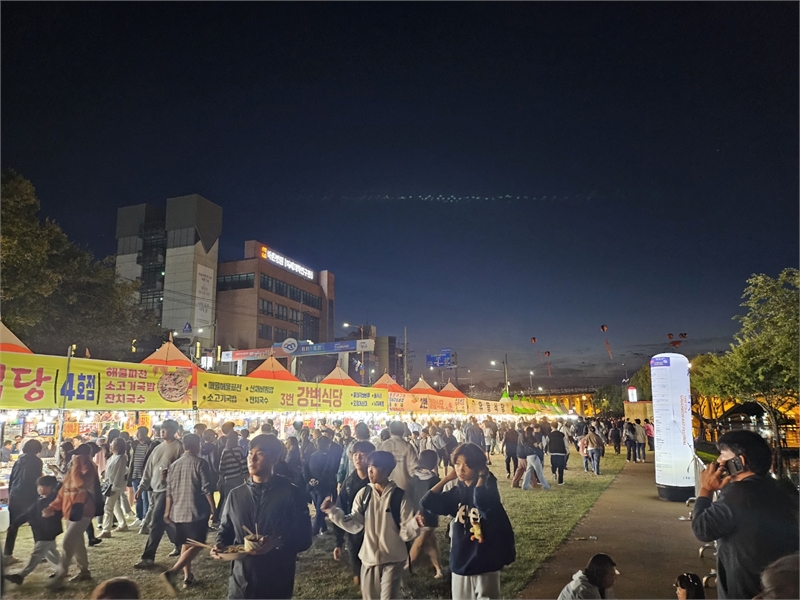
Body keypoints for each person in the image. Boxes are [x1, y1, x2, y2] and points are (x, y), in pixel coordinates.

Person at [691, 430, 799, 599]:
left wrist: (706, 489)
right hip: (783, 586)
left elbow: (702, 529)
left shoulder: (737, 494)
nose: (718, 461)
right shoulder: (784, 488)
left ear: (738, 462)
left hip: (744, 590)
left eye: (723, 455)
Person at [212, 434, 312, 599]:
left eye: (259, 454)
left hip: (276, 581)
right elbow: (226, 529)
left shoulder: (291, 493)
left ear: (274, 458)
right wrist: (220, 544)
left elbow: (304, 537)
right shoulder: (236, 495)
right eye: (250, 453)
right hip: (241, 582)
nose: (252, 459)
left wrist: (276, 541)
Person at [421, 442, 515, 599]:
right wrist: (446, 478)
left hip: (485, 561)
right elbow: (427, 502)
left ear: (478, 466)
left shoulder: (489, 490)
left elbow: (481, 502)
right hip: (461, 560)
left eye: (467, 464)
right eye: (457, 464)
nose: (461, 469)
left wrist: (482, 477)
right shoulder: (457, 493)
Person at [322, 450, 420, 600]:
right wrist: (333, 511)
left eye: (374, 467)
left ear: (386, 470)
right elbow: (355, 523)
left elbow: (406, 532)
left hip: (393, 559)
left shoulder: (399, 497)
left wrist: (415, 524)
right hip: (369, 559)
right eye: (369, 466)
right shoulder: (364, 494)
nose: (369, 470)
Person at [160, 434, 215, 595]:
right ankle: (173, 572)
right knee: (198, 543)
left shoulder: (174, 465)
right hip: (195, 511)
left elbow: (169, 491)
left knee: (186, 543)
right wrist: (213, 508)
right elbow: (206, 489)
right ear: (197, 445)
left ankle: (188, 577)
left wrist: (167, 511)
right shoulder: (201, 463)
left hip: (178, 511)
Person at [44, 447, 103, 590]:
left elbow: (80, 484)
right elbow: (62, 493)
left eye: (77, 456)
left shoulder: (89, 470)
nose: (73, 459)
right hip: (71, 511)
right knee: (77, 543)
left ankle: (61, 575)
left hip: (83, 510)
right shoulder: (72, 471)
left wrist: (76, 465)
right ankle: (84, 572)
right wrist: (52, 507)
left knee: (68, 542)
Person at [134, 419, 184, 569]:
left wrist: (170, 477)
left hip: (168, 490)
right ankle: (180, 544)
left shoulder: (179, 447)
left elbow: (183, 469)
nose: (162, 431)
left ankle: (148, 557)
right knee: (166, 521)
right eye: (161, 429)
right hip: (155, 489)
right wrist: (141, 487)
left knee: (156, 522)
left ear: (173, 431)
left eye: (166, 429)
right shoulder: (158, 447)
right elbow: (148, 469)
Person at [2, 475, 62, 585]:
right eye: (39, 486)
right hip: (42, 531)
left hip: (47, 532)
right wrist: (15, 524)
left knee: (37, 554)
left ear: (51, 488)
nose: (40, 489)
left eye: (44, 487)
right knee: (50, 552)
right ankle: (61, 569)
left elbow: (58, 514)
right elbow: (28, 513)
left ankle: (21, 575)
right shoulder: (40, 500)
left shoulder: (54, 502)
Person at [332, 440, 374, 586]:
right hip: (354, 533)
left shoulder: (377, 481)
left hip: (375, 532)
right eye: (355, 454)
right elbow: (341, 510)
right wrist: (338, 542)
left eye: (363, 454)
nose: (358, 458)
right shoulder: (348, 483)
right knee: (358, 575)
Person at [3, 438, 43, 565]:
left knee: (13, 526)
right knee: (36, 525)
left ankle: (7, 554)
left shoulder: (19, 461)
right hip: (29, 496)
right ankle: (40, 553)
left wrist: (10, 495)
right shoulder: (37, 461)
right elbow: (36, 481)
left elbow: (12, 479)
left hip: (15, 495)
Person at [408, 449, 442, 578]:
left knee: (421, 542)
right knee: (427, 543)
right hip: (429, 516)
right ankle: (438, 570)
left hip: (416, 514)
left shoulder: (413, 478)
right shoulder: (434, 480)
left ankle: (405, 569)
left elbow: (409, 496)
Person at [304, 435, 338, 536]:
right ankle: (315, 530)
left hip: (313, 485)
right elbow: (329, 470)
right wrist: (318, 480)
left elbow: (305, 469)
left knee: (318, 506)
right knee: (320, 509)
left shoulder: (311, 456)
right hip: (324, 485)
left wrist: (310, 480)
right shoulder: (330, 456)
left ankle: (322, 527)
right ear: (328, 444)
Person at [100, 438, 129, 537]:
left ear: (118, 446)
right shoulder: (114, 456)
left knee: (108, 506)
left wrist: (115, 487)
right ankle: (122, 524)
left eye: (113, 444)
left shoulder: (121, 457)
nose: (111, 446)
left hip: (115, 485)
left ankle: (106, 530)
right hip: (109, 483)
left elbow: (119, 473)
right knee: (115, 504)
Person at [378, 421, 418, 494]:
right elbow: (414, 469)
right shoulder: (408, 447)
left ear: (390, 432)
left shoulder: (382, 446)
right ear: (403, 432)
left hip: (385, 488)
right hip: (404, 488)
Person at [217, 432, 248, 522]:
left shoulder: (225, 450)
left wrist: (221, 478)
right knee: (238, 499)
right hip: (238, 478)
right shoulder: (240, 449)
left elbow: (221, 467)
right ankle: (237, 518)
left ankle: (224, 519)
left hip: (227, 479)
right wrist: (246, 476)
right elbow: (243, 464)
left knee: (227, 499)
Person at [523, 425, 551, 491]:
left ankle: (525, 486)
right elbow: (538, 447)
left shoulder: (526, 438)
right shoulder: (532, 439)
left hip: (529, 456)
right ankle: (546, 486)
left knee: (528, 472)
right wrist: (539, 445)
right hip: (534, 456)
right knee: (539, 472)